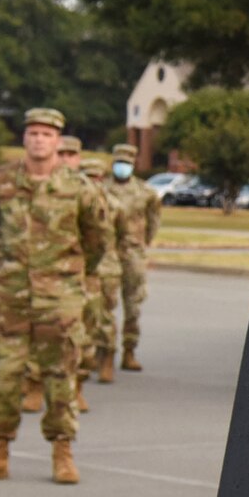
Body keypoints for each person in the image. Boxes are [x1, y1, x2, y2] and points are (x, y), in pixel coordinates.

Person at [0, 107, 109, 485]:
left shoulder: (78, 187)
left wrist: (70, 276)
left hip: (59, 300)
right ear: (23, 139)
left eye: (46, 134)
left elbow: (97, 241)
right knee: (5, 375)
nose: (39, 139)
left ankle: (63, 452)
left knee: (61, 376)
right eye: (33, 133)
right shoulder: (2, 181)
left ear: (58, 142)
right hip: (8, 299)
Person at [105, 143, 161, 371]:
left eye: (127, 163)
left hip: (133, 253)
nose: (123, 167)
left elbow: (153, 221)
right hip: (107, 253)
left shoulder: (146, 192)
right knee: (103, 305)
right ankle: (105, 353)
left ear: (134, 164)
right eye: (120, 162)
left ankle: (129, 350)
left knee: (133, 304)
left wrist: (143, 243)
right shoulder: (100, 189)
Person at [80, 156, 126, 385]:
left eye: (95, 177)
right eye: (87, 176)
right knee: (81, 318)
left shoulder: (114, 205)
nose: (92, 181)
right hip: (82, 268)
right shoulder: (77, 200)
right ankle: (82, 363)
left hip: (107, 267)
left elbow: (124, 236)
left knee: (106, 316)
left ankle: (107, 358)